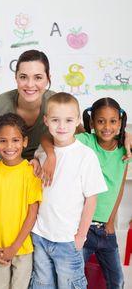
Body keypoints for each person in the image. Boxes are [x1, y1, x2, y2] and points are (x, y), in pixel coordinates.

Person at [29, 92, 107, 289]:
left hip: (67, 239)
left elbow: (91, 199)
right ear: (46, 120)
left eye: (68, 120)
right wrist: (35, 161)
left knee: (70, 284)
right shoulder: (44, 150)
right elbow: (37, 163)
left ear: (78, 121)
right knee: (41, 284)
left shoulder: (86, 156)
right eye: (55, 120)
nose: (62, 126)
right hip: (40, 234)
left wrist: (81, 235)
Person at [76, 97, 131, 289]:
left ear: (120, 123)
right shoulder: (86, 141)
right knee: (76, 279)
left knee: (117, 281)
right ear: (92, 123)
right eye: (100, 121)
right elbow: (60, 132)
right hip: (82, 228)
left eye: (113, 121)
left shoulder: (125, 149)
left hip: (106, 230)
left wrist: (110, 221)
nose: (107, 126)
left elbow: (120, 186)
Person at [0, 113, 42, 289]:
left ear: (24, 141)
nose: (9, 146)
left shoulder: (31, 173)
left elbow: (32, 214)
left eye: (15, 140)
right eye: (3, 140)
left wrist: (13, 248)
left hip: (22, 249)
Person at [0, 49, 55, 161]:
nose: (30, 84)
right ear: (16, 77)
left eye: (38, 77)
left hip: (47, 172)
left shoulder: (58, 104)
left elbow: (84, 142)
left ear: (48, 79)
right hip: (10, 172)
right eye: (23, 77)